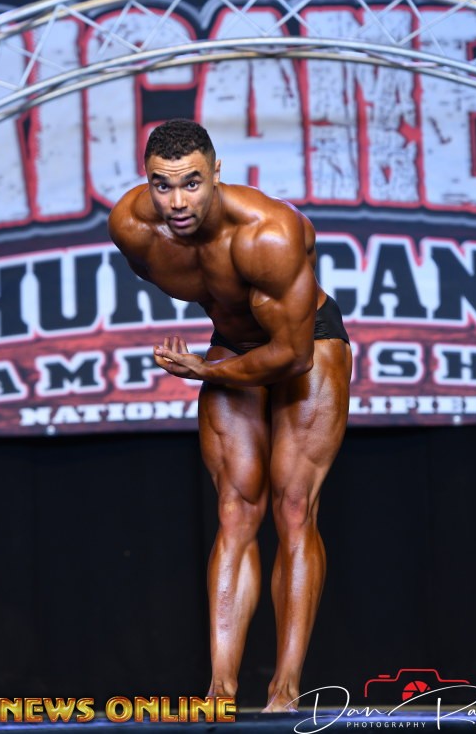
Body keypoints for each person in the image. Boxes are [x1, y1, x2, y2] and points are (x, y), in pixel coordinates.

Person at [108, 118, 352, 712]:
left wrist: (207, 372)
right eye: (163, 185)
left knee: (293, 506)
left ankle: (285, 687)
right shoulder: (133, 229)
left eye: (191, 183)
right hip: (232, 340)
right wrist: (215, 362)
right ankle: (219, 689)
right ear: (147, 181)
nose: (177, 202)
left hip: (307, 343)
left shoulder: (269, 233)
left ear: (216, 172)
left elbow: (291, 356)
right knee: (236, 510)